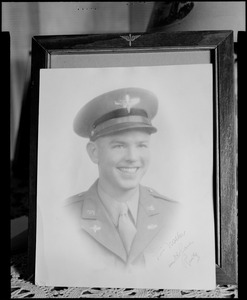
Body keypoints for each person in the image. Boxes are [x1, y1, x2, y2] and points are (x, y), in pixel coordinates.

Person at [63, 87, 179, 271]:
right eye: (119, 146)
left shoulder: (173, 214)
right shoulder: (65, 218)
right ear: (94, 152)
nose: (132, 157)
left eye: (141, 145)